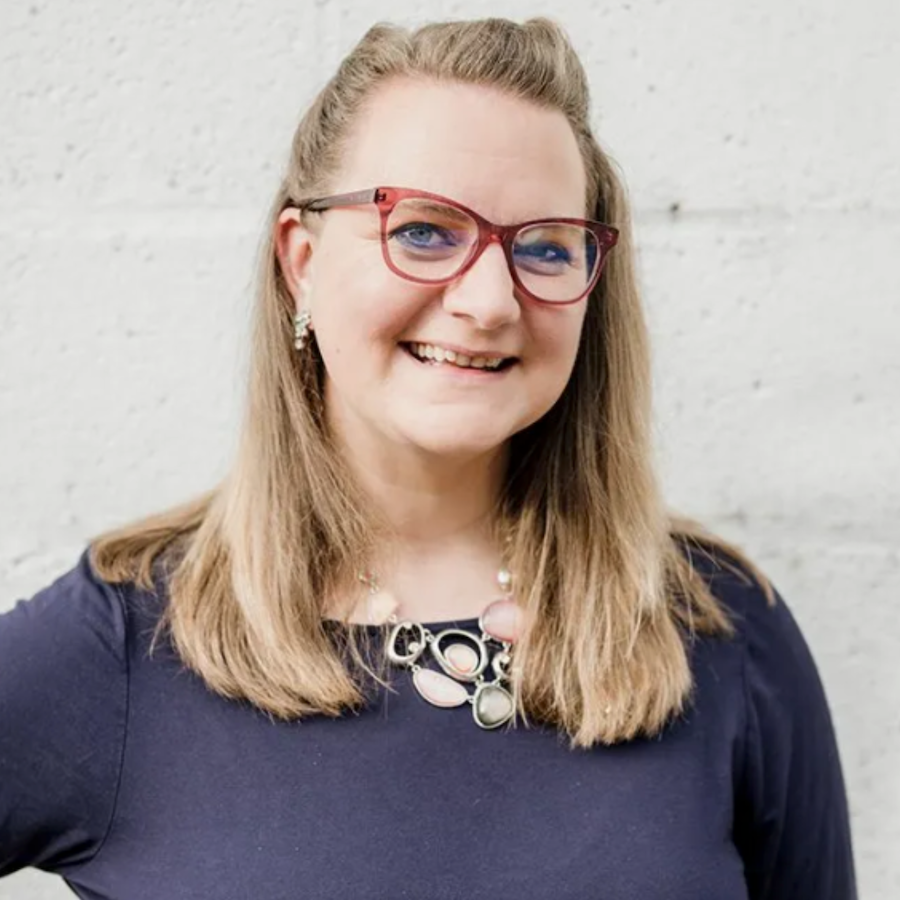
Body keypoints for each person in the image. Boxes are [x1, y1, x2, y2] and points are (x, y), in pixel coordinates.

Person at [0, 16, 856, 900]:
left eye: (546, 246)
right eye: (423, 231)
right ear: (301, 260)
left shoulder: (720, 633)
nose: (489, 300)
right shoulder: (123, 648)